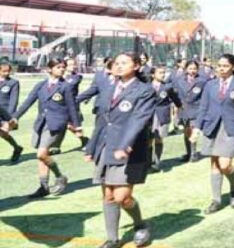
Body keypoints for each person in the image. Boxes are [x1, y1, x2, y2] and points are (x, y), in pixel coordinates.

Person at [84, 52, 155, 248]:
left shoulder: (144, 90)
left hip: (129, 149)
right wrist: (91, 147)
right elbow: (102, 120)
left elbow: (138, 120)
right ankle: (112, 239)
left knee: (122, 197)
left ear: (137, 66)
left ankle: (140, 224)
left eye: (124, 63)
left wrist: (125, 145)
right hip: (105, 147)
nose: (119, 66)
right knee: (108, 195)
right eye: (117, 63)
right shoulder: (108, 88)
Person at [193, 54, 234, 214]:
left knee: (225, 164)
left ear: (233, 66)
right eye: (219, 66)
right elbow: (203, 108)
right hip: (212, 127)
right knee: (215, 164)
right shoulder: (210, 85)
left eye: (225, 66)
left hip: (231, 128)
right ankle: (216, 200)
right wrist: (197, 128)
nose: (221, 69)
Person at [14, 59, 80, 198]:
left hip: (56, 125)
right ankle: (43, 187)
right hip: (41, 124)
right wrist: (15, 117)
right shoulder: (41, 85)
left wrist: (76, 125)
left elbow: (72, 106)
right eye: (58, 67)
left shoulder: (65, 86)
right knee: (42, 157)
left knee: (41, 154)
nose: (62, 69)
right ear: (49, 69)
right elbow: (28, 102)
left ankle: (60, 176)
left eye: (63, 67)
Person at [173, 60, 209, 163]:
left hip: (196, 109)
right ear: (186, 69)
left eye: (194, 69)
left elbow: (205, 96)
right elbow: (177, 95)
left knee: (193, 131)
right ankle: (188, 153)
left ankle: (193, 154)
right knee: (186, 132)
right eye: (190, 68)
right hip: (184, 109)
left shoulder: (202, 81)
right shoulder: (179, 80)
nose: (192, 71)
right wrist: (177, 108)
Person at [148, 66, 180, 172]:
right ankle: (148, 162)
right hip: (149, 115)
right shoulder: (147, 87)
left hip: (162, 115)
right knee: (149, 139)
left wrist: (180, 107)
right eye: (160, 72)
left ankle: (157, 162)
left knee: (159, 138)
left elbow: (175, 99)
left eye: (164, 72)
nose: (163, 75)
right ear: (153, 74)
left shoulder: (167, 87)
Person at [0, 61, 23, 163]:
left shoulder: (13, 83)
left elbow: (14, 101)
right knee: (2, 134)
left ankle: (17, 148)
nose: (6, 73)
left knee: (4, 133)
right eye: (4, 71)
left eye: (8, 71)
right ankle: (17, 148)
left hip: (5, 114)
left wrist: (10, 118)